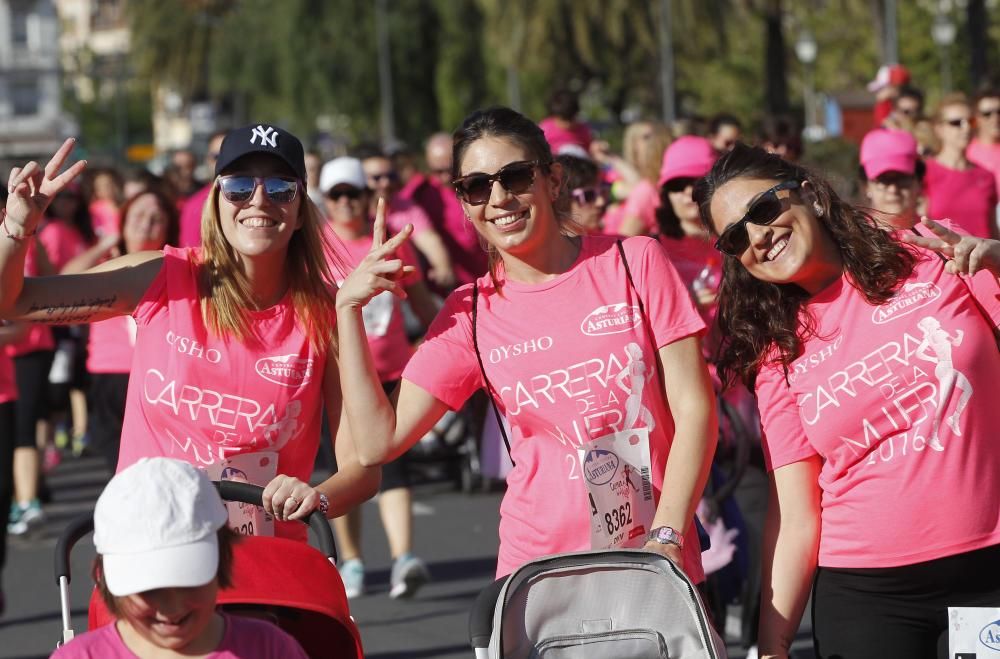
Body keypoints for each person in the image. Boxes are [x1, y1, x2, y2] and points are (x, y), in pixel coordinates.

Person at [337, 106, 716, 590]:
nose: (498, 198)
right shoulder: (468, 313)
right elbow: (376, 443)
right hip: (539, 576)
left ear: (553, 181)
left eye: (515, 177)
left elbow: (695, 408)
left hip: (654, 559)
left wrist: (667, 535)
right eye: (476, 186)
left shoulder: (634, 262)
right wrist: (347, 311)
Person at [694, 142, 1000, 658]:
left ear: (810, 195)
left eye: (764, 209)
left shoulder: (932, 253)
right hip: (867, 594)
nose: (758, 236)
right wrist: (772, 647)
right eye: (734, 237)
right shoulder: (775, 351)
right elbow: (795, 513)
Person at [0, 127, 379, 538]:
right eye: (237, 186)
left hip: (266, 568)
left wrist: (315, 498)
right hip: (152, 551)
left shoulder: (327, 312)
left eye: (279, 187)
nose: (258, 199)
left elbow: (361, 467)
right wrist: (17, 228)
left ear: (301, 209)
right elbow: (15, 303)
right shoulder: (161, 276)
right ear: (215, 201)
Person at [319, 157, 437, 599]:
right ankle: (351, 561)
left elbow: (421, 299)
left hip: (390, 369)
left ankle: (404, 557)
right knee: (346, 468)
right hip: (335, 378)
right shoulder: (315, 245)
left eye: (353, 193)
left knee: (396, 465)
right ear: (326, 201)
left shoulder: (389, 241)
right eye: (338, 195)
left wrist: (439, 341)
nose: (347, 202)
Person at [51, 457, 308, 658]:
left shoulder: (269, 649)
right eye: (148, 590)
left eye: (188, 582)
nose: (171, 608)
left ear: (221, 561)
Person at [62, 188, 180, 471]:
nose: (145, 224)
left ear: (168, 227)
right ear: (123, 222)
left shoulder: (179, 267)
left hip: (161, 378)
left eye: (156, 218)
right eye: (138, 216)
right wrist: (107, 243)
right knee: (118, 466)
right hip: (108, 375)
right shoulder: (106, 267)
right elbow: (65, 281)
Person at [399, 132, 488, 290]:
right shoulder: (419, 192)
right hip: (444, 288)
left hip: (486, 278)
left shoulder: (480, 186)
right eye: (438, 171)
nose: (446, 177)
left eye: (450, 169)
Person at [360, 149, 456, 289]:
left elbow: (430, 240)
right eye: (376, 178)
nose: (385, 183)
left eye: (390, 176)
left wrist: (443, 267)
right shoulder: (349, 212)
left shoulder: (406, 208)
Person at [654, 136, 720, 318]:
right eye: (677, 185)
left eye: (698, 182)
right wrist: (684, 306)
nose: (688, 192)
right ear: (666, 194)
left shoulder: (740, 241)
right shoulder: (653, 250)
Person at [925, 93, 998, 239]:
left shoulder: (986, 176)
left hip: (983, 260)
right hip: (943, 259)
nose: (966, 128)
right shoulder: (925, 172)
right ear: (939, 129)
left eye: (970, 121)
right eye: (956, 123)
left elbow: (993, 231)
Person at [609, 121, 673, 237]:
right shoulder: (648, 188)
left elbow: (623, 243)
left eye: (648, 137)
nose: (646, 142)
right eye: (644, 137)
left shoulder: (646, 190)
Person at [858, 128, 924, 230]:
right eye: (883, 180)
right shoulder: (851, 240)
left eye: (902, 178)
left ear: (919, 182)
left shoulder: (941, 238)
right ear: (867, 186)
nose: (893, 189)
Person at [178, 130, 227, 248]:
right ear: (208, 159)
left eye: (228, 155)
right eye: (216, 156)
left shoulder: (257, 198)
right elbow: (191, 256)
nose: (223, 162)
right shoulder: (194, 205)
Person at [556, 154, 607, 235]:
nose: (600, 202)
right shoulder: (540, 247)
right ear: (559, 198)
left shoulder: (617, 244)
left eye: (602, 192)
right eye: (588, 195)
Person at [966, 87, 1000, 192]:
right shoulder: (967, 154)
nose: (995, 118)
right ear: (976, 118)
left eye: (999, 111)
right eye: (987, 114)